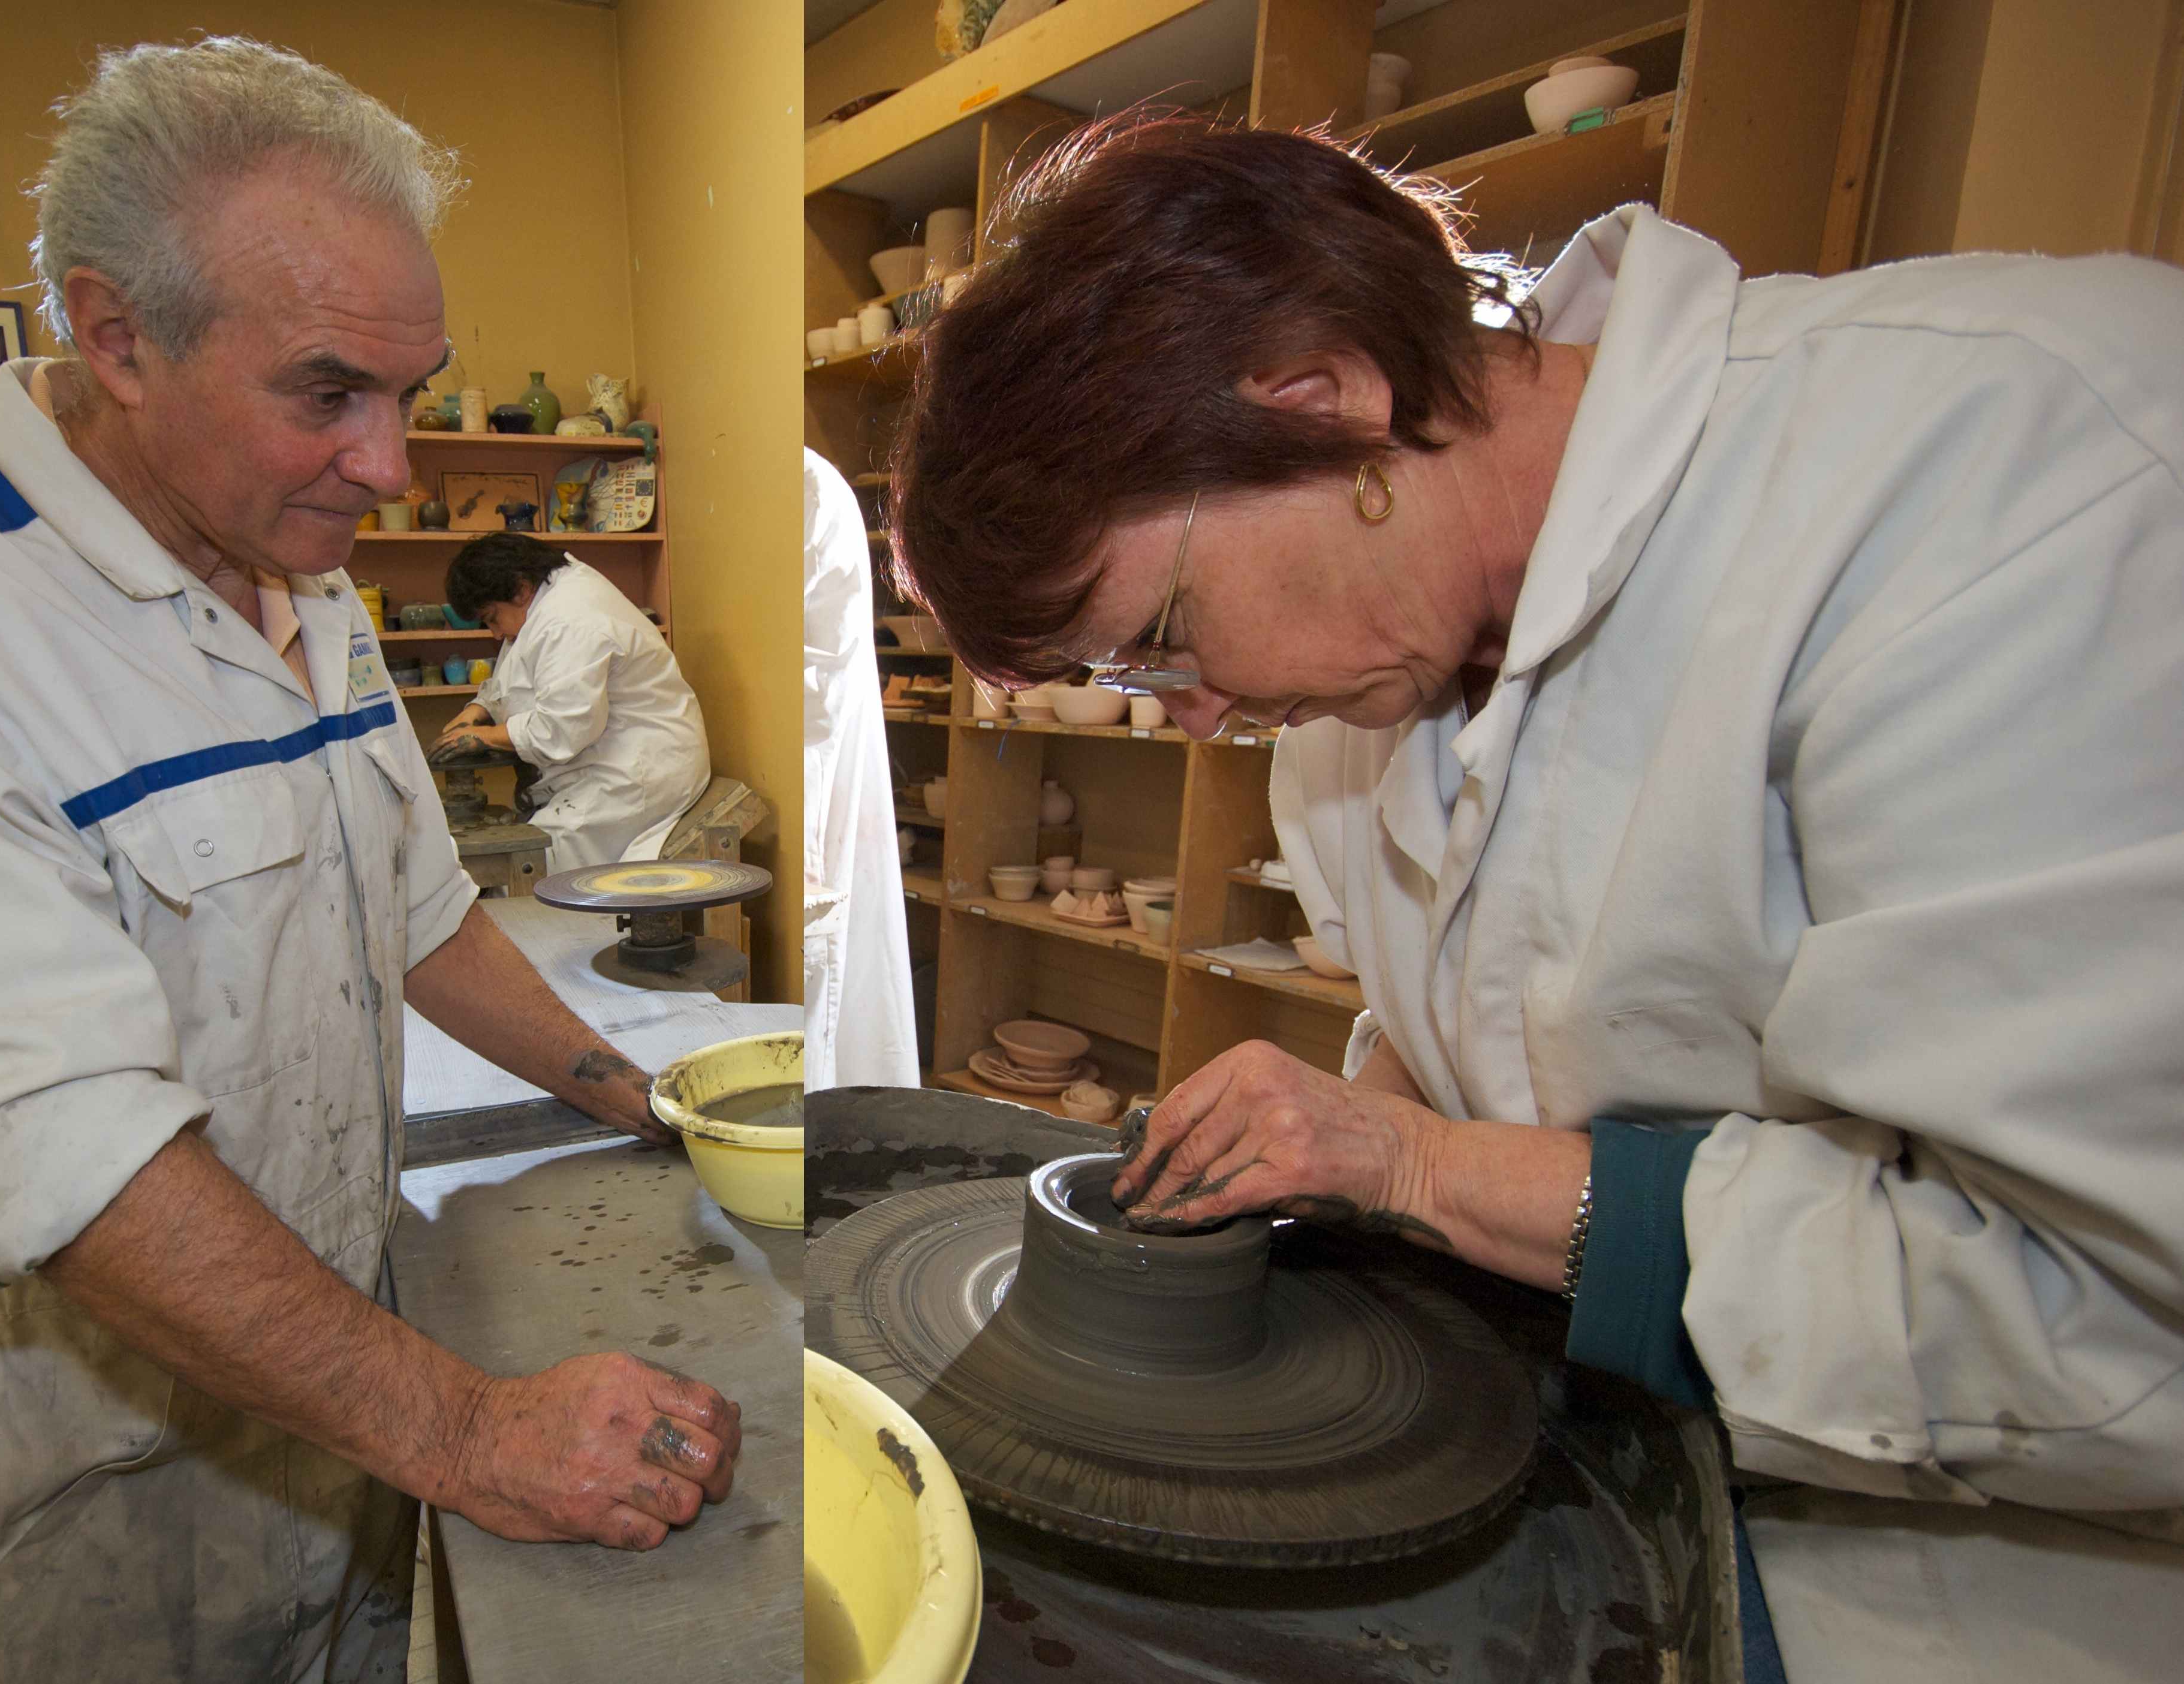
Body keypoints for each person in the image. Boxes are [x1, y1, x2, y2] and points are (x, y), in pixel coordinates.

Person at [887, 114, 2184, 1680]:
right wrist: (1347, 1117)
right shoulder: (1364, 690)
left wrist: (1418, 1167)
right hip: (1586, 1460)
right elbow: (1484, 1017)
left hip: (1949, 1578)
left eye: (1161, 633)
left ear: (1324, 404)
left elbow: (2106, 1316)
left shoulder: (1999, 478)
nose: (1190, 713)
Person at [0, 40, 739, 1682]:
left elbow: (413, 906)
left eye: (406, 395)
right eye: (326, 393)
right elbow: (48, 1143)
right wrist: (468, 1430)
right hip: (74, 1448)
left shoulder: (306, 578)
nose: (390, 464)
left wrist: (637, 1098)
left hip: (324, 1375)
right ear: (116, 336)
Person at [430, 531, 709, 870]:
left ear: (519, 589)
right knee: (525, 865)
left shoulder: (571, 619)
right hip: (604, 761)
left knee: (536, 868)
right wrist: (479, 710)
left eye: (492, 618)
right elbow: (516, 672)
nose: (495, 633)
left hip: (636, 772)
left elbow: (560, 729)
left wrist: (483, 737)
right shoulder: (539, 600)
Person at [803, 448, 920, 1087]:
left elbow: (812, 693)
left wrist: (806, 862)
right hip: (814, 764)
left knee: (834, 995)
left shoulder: (806, 485)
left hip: (820, 778)